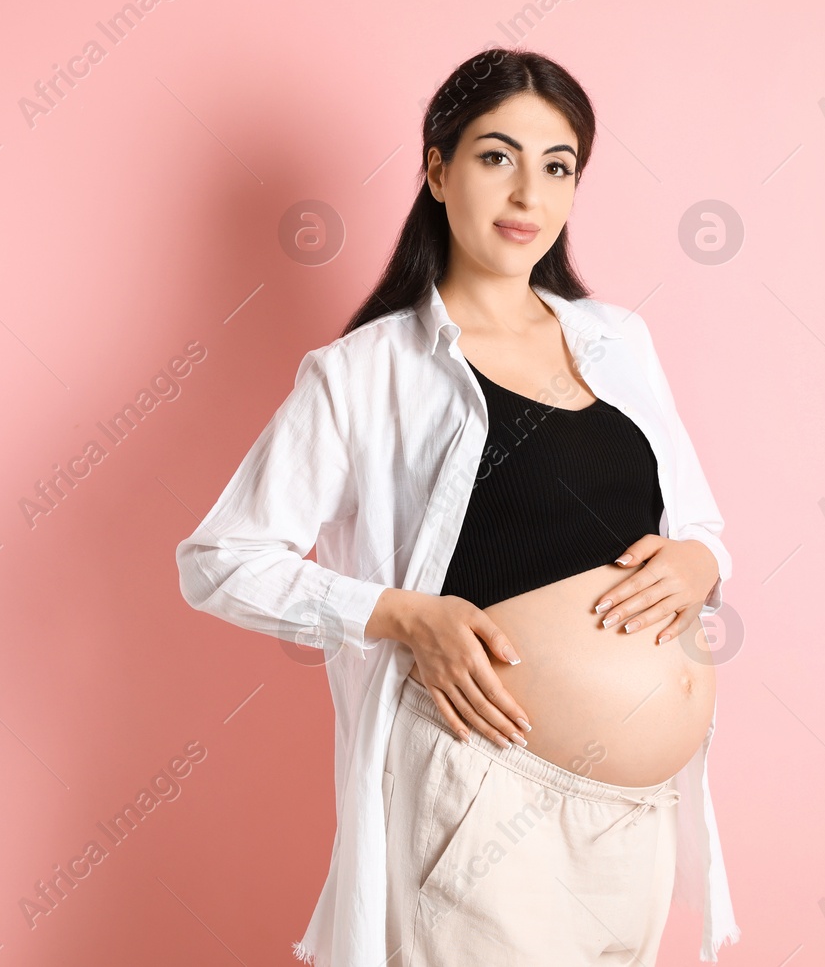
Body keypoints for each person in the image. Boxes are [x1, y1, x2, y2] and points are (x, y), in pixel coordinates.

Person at [176, 48, 739, 966]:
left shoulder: (619, 341)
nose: (528, 193)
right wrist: (399, 613)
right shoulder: (367, 372)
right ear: (437, 170)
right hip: (486, 798)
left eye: (558, 166)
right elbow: (220, 558)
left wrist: (702, 562)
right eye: (496, 157)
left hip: (640, 814)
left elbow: (700, 527)